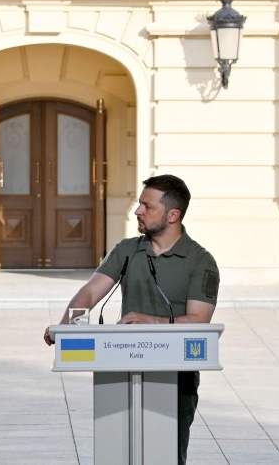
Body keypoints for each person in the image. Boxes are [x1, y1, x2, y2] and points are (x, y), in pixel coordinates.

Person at [43, 174, 219, 464]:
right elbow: (90, 292)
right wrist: (66, 327)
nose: (137, 211)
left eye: (147, 206)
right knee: (118, 453)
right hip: (122, 367)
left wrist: (153, 322)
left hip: (176, 376)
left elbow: (199, 319)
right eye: (139, 204)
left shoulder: (200, 261)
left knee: (164, 456)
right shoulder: (127, 250)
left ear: (173, 215)